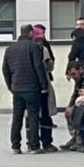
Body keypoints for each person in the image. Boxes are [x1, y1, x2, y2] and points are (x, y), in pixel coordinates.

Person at [2, 25, 48, 155]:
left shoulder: (10, 49)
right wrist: (43, 85)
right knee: (33, 116)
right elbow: (38, 67)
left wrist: (10, 85)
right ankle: (34, 146)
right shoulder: (34, 47)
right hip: (32, 87)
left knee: (17, 116)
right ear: (30, 33)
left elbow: (5, 69)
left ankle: (15, 146)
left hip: (17, 87)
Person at [33, 24, 59, 152]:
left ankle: (32, 142)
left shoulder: (19, 49)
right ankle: (47, 142)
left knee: (31, 116)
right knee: (45, 114)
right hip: (42, 85)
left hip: (27, 87)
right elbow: (49, 66)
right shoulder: (43, 49)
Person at [60, 61, 84, 151]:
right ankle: (74, 137)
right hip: (81, 101)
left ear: (80, 69)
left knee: (75, 112)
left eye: (74, 74)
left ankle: (79, 139)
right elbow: (75, 94)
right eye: (71, 75)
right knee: (68, 112)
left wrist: (74, 107)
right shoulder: (78, 80)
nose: (73, 77)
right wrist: (70, 106)